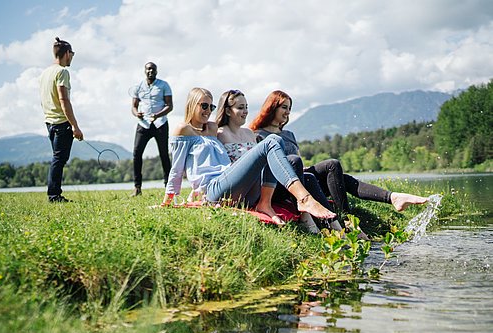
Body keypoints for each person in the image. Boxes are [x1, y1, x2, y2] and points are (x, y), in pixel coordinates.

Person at [249, 90, 428, 227]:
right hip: (278, 185)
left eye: (289, 108)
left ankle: (382, 202)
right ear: (272, 107)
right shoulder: (257, 135)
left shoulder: (289, 134)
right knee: (298, 163)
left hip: (300, 174)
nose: (288, 112)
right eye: (284, 107)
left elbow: (299, 160)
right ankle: (344, 221)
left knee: (333, 166)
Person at [162, 87, 337, 223]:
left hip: (239, 187)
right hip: (214, 189)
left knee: (275, 142)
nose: (208, 111)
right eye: (204, 105)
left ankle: (265, 203)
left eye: (211, 106)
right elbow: (177, 169)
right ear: (192, 105)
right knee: (270, 142)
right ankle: (304, 198)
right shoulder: (183, 130)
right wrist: (169, 198)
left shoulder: (212, 129)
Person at [215, 89, 340, 232]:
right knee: (292, 159)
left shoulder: (249, 134)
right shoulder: (219, 133)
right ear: (228, 111)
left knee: (309, 176)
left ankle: (335, 225)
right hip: (241, 187)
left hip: (261, 183)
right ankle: (305, 211)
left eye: (246, 107)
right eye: (240, 107)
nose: (245, 111)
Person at [39, 37, 83, 203]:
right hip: (61, 123)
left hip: (49, 122)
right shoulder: (62, 72)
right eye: (71, 54)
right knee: (59, 159)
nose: (72, 57)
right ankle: (54, 195)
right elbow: (64, 100)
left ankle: (54, 194)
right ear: (66, 54)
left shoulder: (44, 73)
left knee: (57, 158)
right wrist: (75, 126)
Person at [130, 62, 173, 196]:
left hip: (160, 123)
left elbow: (170, 106)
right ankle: (137, 188)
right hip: (143, 124)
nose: (150, 71)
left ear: (156, 71)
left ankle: (168, 185)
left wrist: (158, 115)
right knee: (137, 153)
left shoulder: (164, 85)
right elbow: (134, 106)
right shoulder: (138, 87)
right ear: (145, 71)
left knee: (164, 154)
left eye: (153, 69)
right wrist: (136, 113)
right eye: (148, 69)